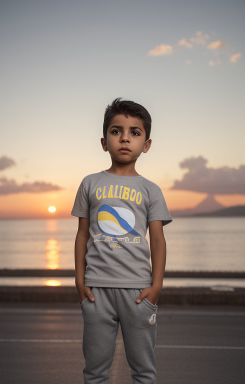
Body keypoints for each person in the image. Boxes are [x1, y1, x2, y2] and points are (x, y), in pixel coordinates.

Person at [71, 97, 173, 384]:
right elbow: (82, 235)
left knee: (143, 371)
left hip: (138, 293)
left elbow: (158, 239)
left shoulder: (150, 190)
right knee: (94, 372)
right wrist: (80, 281)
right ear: (104, 142)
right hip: (96, 292)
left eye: (135, 132)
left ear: (146, 144)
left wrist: (156, 287)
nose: (125, 138)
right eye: (116, 131)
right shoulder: (90, 183)